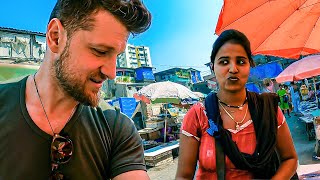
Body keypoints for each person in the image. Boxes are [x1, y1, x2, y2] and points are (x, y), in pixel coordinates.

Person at [0, 0, 151, 179]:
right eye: (100, 51)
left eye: (116, 56)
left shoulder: (118, 128)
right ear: (55, 37)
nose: (111, 73)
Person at [176, 29, 297, 179]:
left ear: (249, 65)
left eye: (241, 61)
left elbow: (290, 159)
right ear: (213, 67)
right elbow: (183, 176)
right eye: (224, 62)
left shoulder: (268, 109)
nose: (233, 69)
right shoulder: (198, 115)